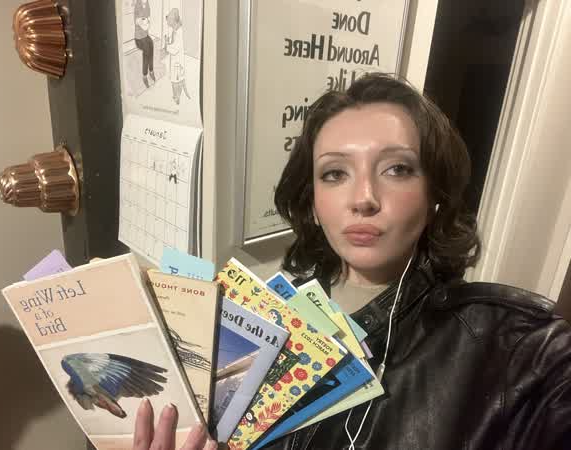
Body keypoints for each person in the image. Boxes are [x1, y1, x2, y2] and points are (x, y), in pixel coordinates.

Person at [132, 73, 571, 449]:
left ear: (435, 195)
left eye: (397, 169)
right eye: (335, 173)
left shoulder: (520, 350)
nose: (363, 198)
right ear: (313, 202)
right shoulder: (262, 319)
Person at [164, 8, 190, 104]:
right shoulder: (175, 30)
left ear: (174, 21)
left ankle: (177, 97)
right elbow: (173, 44)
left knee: (175, 79)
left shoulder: (179, 32)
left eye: (169, 19)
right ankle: (176, 95)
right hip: (175, 59)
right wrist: (168, 42)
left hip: (177, 61)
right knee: (174, 77)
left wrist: (167, 46)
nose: (167, 21)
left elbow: (175, 49)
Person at [134, 0, 155, 89]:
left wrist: (145, 21)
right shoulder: (137, 7)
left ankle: (151, 70)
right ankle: (144, 75)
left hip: (146, 36)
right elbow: (144, 26)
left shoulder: (147, 6)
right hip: (138, 38)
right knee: (146, 49)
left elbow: (148, 22)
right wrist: (146, 22)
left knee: (151, 44)